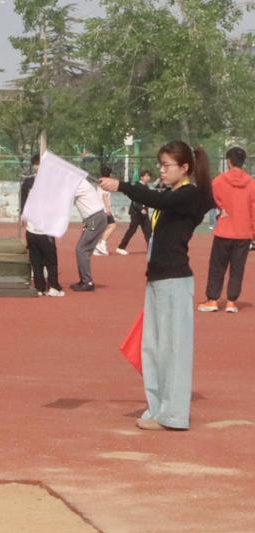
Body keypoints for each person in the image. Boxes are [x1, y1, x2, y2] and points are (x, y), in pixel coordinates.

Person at [100, 141, 215, 431]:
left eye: (167, 166)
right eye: (160, 165)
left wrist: (122, 186)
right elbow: (160, 200)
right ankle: (157, 408)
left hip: (175, 282)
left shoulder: (189, 195)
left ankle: (174, 415)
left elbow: (155, 200)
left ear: (184, 167)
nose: (161, 171)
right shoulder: (174, 194)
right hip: (157, 279)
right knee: (152, 349)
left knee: (172, 350)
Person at [197, 147, 255, 314]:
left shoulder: (219, 181)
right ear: (243, 162)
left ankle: (213, 300)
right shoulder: (251, 183)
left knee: (217, 266)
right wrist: (253, 232)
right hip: (243, 232)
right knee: (238, 268)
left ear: (229, 161)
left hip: (224, 230)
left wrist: (222, 207)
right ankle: (231, 302)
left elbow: (213, 198)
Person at [21, 154, 65, 297]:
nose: (38, 167)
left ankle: (45, 287)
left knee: (42, 260)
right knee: (45, 260)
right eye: (36, 164)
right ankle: (47, 287)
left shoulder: (45, 183)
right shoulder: (35, 183)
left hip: (39, 229)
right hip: (39, 230)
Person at [69, 178, 108, 292]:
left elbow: (63, 196)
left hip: (94, 218)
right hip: (89, 218)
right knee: (83, 250)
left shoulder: (78, 183)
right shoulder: (79, 182)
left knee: (81, 249)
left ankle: (87, 282)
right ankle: (84, 280)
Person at [117, 170, 153, 254]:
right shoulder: (137, 186)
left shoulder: (146, 186)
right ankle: (121, 247)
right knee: (132, 230)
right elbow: (135, 200)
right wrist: (141, 209)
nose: (148, 178)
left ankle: (151, 249)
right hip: (136, 213)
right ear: (141, 177)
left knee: (148, 230)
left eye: (149, 176)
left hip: (144, 213)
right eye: (146, 176)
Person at [94, 165, 118, 256]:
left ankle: (98, 246)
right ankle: (101, 244)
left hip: (98, 209)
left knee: (99, 228)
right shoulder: (106, 182)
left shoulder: (100, 181)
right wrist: (108, 209)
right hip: (103, 209)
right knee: (112, 226)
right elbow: (105, 195)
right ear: (110, 174)